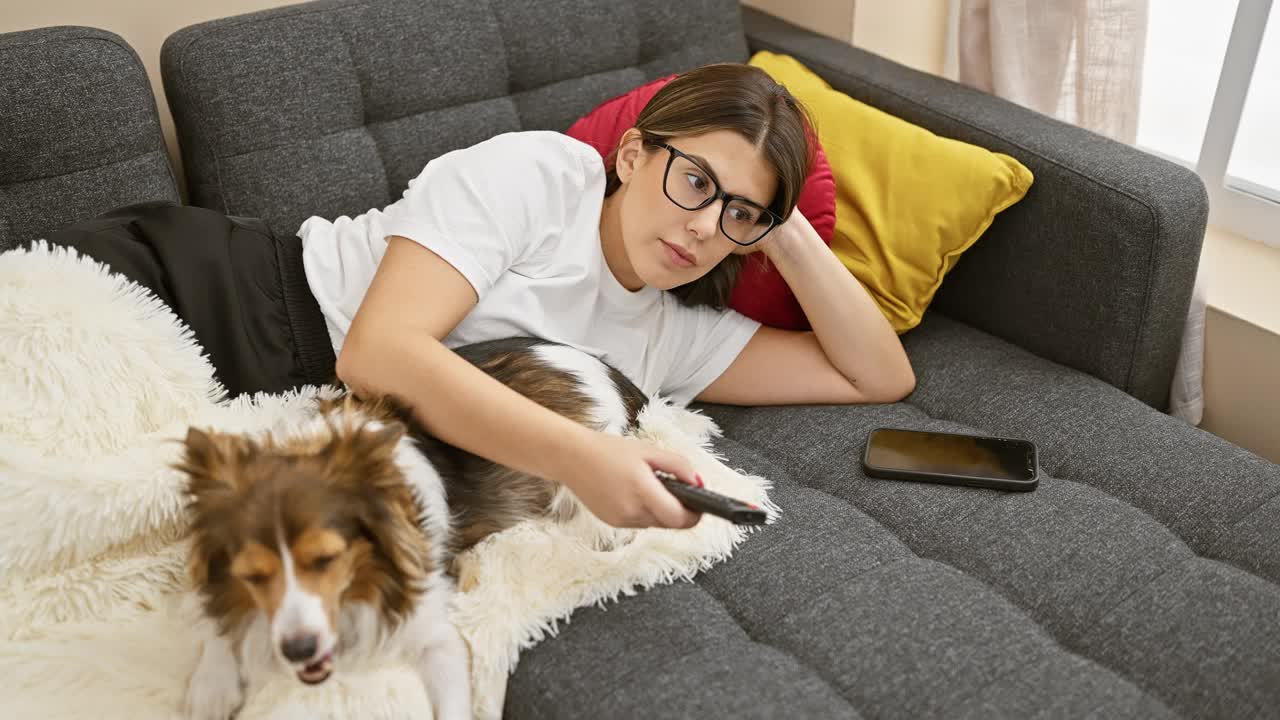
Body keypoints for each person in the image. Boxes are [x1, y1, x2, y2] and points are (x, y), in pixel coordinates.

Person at [299, 62, 915, 532]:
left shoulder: (676, 331)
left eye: (739, 212)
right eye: (697, 181)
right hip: (263, 300)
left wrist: (784, 229)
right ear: (632, 154)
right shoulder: (545, 177)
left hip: (333, 415)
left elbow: (878, 376)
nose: (705, 225)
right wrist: (584, 459)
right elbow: (375, 352)